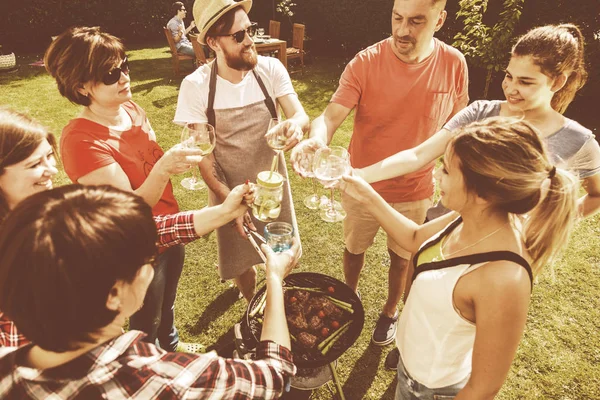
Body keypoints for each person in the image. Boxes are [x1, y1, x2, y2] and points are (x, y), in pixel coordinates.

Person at [338, 117, 578, 399]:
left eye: (447, 170)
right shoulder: (469, 216)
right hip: (411, 367)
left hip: (431, 390)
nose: (436, 176)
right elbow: (415, 238)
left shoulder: (503, 279)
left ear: (483, 193)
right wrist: (367, 196)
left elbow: (482, 388)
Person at [0, 184, 300, 399]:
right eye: (147, 260)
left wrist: (222, 212)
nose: (150, 266)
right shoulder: (156, 377)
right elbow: (272, 376)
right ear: (114, 294)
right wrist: (273, 277)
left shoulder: (10, 361)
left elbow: (154, 231)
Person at [291, 0, 469, 346]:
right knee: (354, 249)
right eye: (397, 18)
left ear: (440, 20)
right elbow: (329, 117)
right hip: (358, 184)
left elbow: (457, 125)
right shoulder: (366, 61)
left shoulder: (454, 64)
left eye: (416, 21)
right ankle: (349, 298)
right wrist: (316, 140)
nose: (403, 30)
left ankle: (389, 311)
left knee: (401, 258)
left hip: (414, 189)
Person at [0, 107, 254, 348]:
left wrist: (223, 212)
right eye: (35, 165)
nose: (51, 171)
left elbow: (130, 230)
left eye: (48, 158)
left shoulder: (50, 211)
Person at [44, 26, 208, 352]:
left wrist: (174, 161)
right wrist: (164, 168)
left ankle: (171, 347)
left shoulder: (132, 110)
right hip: (137, 244)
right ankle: (150, 367)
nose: (124, 77)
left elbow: (152, 159)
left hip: (171, 226)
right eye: (110, 73)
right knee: (146, 319)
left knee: (167, 302)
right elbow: (129, 207)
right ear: (81, 86)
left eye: (124, 65)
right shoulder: (81, 140)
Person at [359, 23, 600, 220]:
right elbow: (418, 155)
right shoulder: (479, 112)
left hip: (499, 260)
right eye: (508, 76)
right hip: (438, 236)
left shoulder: (579, 141)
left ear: (557, 83)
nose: (511, 88)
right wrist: (357, 174)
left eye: (525, 82)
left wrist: (548, 225)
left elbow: (596, 195)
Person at [175, 0, 309, 301]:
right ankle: (250, 301)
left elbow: (300, 115)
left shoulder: (270, 69)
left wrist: (296, 126)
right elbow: (205, 159)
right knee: (241, 262)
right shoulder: (195, 86)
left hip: (273, 187)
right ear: (213, 42)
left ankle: (275, 297)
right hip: (227, 188)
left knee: (283, 253)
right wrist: (230, 202)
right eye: (239, 36)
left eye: (250, 30)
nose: (250, 41)